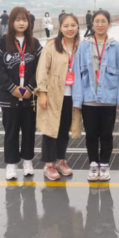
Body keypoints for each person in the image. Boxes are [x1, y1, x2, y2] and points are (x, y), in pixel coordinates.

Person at [72, 9, 119, 183]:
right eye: (97, 21)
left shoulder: (115, 46)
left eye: (103, 21)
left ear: (108, 24)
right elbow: (77, 73)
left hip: (108, 100)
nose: (100, 24)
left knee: (106, 135)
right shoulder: (84, 46)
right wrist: (77, 99)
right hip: (89, 99)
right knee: (90, 135)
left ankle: (104, 165)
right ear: (92, 23)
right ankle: (93, 164)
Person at [0, 6, 43, 180]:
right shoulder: (0, 44)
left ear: (29, 22)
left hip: (29, 99)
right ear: (11, 22)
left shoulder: (35, 43)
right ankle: (11, 165)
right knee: (11, 132)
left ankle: (28, 162)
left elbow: (41, 69)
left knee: (29, 131)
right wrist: (13, 88)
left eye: (24, 20)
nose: (21, 23)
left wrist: (30, 88)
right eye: (17, 19)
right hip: (9, 98)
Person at [36, 13, 83, 181]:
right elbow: (42, 70)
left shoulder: (81, 46)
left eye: (73, 25)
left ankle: (61, 160)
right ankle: (49, 164)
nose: (70, 29)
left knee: (64, 130)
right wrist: (42, 93)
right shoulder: (51, 46)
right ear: (60, 28)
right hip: (54, 94)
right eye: (66, 26)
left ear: (78, 27)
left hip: (72, 94)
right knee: (51, 130)